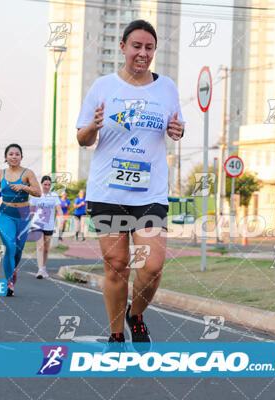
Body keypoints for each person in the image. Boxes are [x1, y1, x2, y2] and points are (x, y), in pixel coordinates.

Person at [76, 20, 184, 349]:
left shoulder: (166, 88)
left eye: (149, 47)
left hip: (150, 191)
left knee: (151, 266)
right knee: (117, 267)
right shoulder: (103, 86)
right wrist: (93, 127)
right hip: (108, 191)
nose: (143, 53)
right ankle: (115, 334)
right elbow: (82, 138)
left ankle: (135, 314)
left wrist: (178, 131)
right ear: (122, 47)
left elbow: (175, 126)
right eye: (136, 46)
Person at [0, 144, 40, 296]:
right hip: (5, 214)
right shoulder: (1, 173)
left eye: (17, 154)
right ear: (6, 157)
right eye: (11, 154)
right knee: (10, 246)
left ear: (21, 157)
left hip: (23, 216)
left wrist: (23, 187)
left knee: (18, 251)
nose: (14, 156)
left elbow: (38, 192)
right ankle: (9, 282)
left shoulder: (28, 173)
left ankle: (13, 268)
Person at [29, 176, 63, 279]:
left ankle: (43, 267)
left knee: (46, 249)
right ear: (41, 184)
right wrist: (29, 222)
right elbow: (31, 210)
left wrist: (61, 218)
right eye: (45, 184)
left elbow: (59, 208)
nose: (47, 187)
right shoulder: (36, 195)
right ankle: (40, 270)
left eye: (49, 185)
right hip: (37, 223)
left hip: (49, 225)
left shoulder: (54, 195)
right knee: (40, 246)